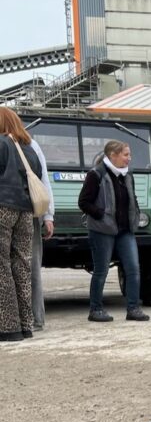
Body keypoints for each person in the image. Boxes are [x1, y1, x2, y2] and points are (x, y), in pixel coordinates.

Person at [78, 141, 150, 323]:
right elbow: (84, 202)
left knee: (133, 269)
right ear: (112, 155)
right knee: (101, 270)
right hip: (102, 231)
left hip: (125, 231)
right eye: (126, 155)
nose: (129, 158)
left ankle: (133, 309)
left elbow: (132, 198)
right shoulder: (96, 174)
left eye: (129, 154)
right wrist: (102, 215)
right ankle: (96, 309)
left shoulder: (127, 175)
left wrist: (136, 216)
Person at [0, 108, 42, 342]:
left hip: (2, 207)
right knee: (22, 266)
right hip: (26, 211)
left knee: (1, 266)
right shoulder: (29, 149)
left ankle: (7, 327)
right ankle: (26, 324)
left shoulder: (1, 144)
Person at [30, 136, 55, 331]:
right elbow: (44, 179)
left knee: (29, 267)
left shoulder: (29, 144)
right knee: (31, 267)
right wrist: (48, 215)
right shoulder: (31, 144)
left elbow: (44, 178)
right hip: (30, 212)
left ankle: (34, 318)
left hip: (26, 213)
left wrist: (48, 214)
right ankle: (35, 318)